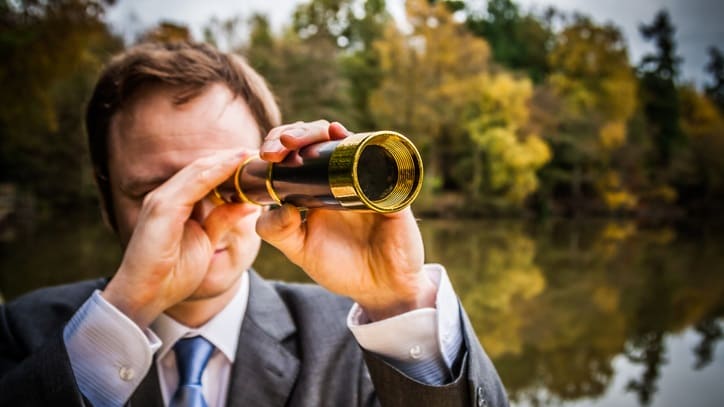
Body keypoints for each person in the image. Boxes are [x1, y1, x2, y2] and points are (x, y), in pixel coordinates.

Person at [0, 42, 507, 407]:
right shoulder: (25, 333)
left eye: (231, 184)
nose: (197, 217)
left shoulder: (359, 342)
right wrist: (123, 312)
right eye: (156, 194)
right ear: (105, 197)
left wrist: (398, 300)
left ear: (274, 174)